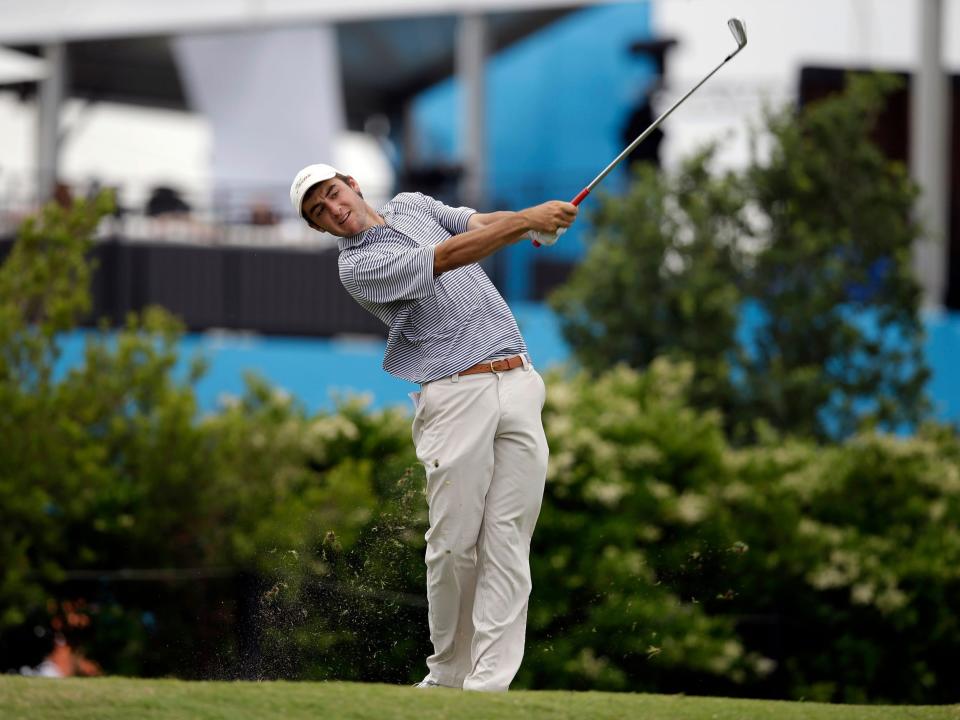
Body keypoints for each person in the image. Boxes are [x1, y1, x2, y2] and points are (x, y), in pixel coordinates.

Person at [289, 164, 577, 692]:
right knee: (453, 542)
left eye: (331, 194)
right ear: (320, 228)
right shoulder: (359, 266)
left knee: (508, 539)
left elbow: (474, 224)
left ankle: (488, 683)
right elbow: (445, 258)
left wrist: (534, 223)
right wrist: (526, 222)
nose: (333, 209)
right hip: (453, 392)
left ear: (351, 183)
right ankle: (447, 674)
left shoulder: (412, 204)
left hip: (517, 377)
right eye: (318, 213)